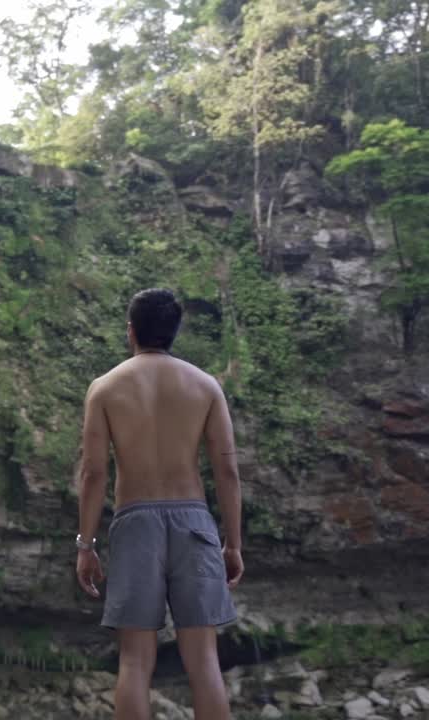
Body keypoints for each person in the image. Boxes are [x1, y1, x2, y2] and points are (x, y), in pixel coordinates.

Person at [75, 288, 244, 720]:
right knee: (204, 663)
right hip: (193, 522)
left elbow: (94, 473)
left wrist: (86, 545)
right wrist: (234, 544)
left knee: (134, 662)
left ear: (130, 330)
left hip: (134, 523)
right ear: (175, 331)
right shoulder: (206, 386)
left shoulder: (105, 388)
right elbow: (227, 472)